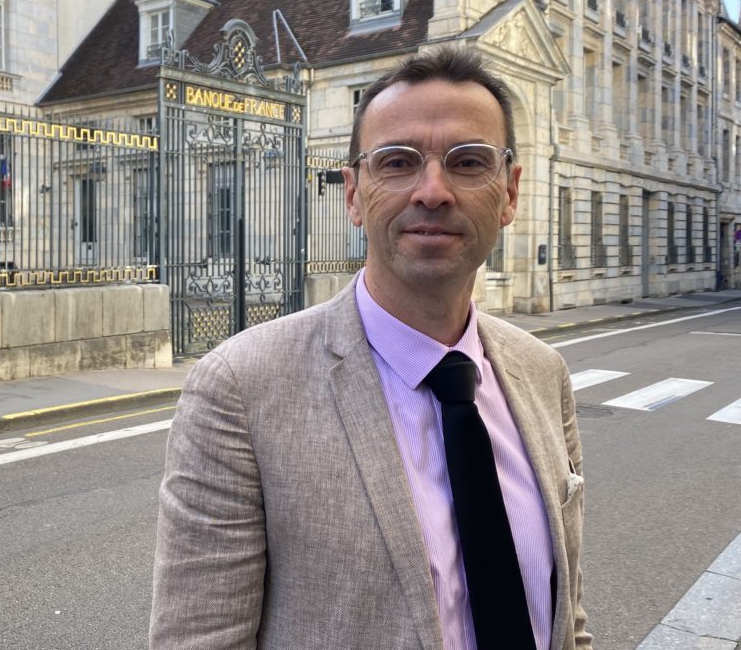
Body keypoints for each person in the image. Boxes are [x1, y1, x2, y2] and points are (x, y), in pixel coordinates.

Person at [149, 47, 591, 649]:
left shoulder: (543, 372)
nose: (432, 191)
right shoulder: (240, 387)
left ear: (509, 192)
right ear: (354, 194)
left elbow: (566, 617)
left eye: (467, 162)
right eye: (397, 162)